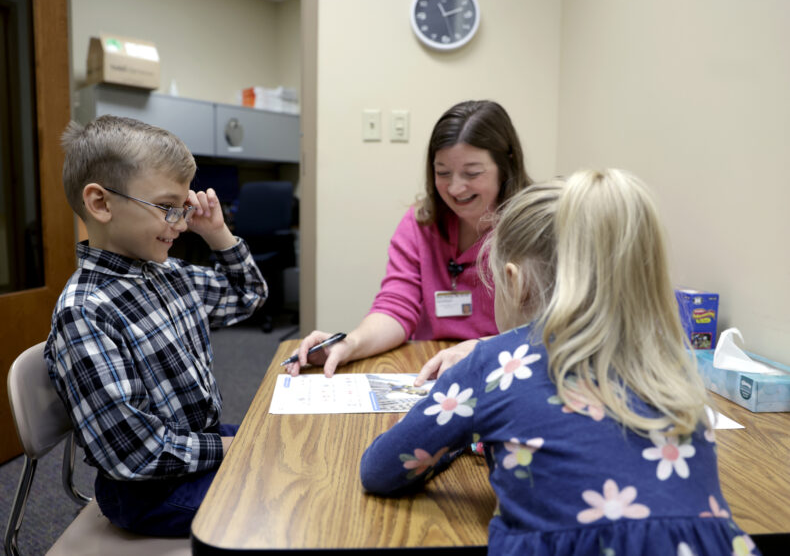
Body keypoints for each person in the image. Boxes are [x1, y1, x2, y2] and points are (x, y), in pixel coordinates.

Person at [360, 169, 758, 555]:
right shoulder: (669, 365)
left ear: (513, 281)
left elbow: (380, 470)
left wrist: (457, 439)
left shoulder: (493, 363)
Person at [45, 115, 267, 537]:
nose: (181, 225)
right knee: (284, 494)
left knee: (291, 441)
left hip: (197, 446)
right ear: (101, 203)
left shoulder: (167, 273)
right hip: (149, 491)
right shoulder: (87, 313)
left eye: (184, 208)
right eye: (168, 208)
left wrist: (218, 233)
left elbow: (248, 297)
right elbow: (136, 454)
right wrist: (233, 449)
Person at [287, 100, 532, 380]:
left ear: (507, 164)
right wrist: (351, 344)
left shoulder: (536, 226)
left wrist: (481, 349)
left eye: (472, 173)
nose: (454, 188)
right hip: (430, 369)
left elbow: (552, 327)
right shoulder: (420, 223)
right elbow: (396, 306)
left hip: (507, 369)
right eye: (442, 172)